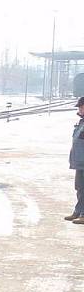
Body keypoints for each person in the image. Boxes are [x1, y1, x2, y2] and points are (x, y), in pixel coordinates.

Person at [66, 96, 84, 224]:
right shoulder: (81, 122)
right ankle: (78, 211)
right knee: (79, 187)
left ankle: (83, 214)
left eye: (82, 107)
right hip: (79, 162)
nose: (80, 109)